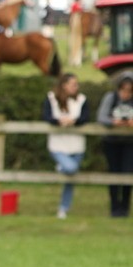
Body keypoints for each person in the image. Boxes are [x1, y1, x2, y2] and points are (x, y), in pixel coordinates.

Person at [42, 73, 89, 219]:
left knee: (70, 179)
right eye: (73, 84)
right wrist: (59, 121)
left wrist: (73, 121)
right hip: (58, 145)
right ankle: (61, 166)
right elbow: (46, 116)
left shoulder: (82, 100)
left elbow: (85, 118)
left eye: (77, 84)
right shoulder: (51, 98)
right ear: (64, 85)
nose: (76, 87)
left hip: (77, 146)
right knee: (70, 168)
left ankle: (63, 208)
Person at [96, 71, 133, 217]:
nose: (126, 93)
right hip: (112, 142)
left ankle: (125, 207)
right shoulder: (111, 98)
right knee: (113, 172)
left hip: (129, 143)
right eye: (124, 89)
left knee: (128, 173)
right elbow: (101, 117)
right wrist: (113, 122)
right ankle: (114, 207)